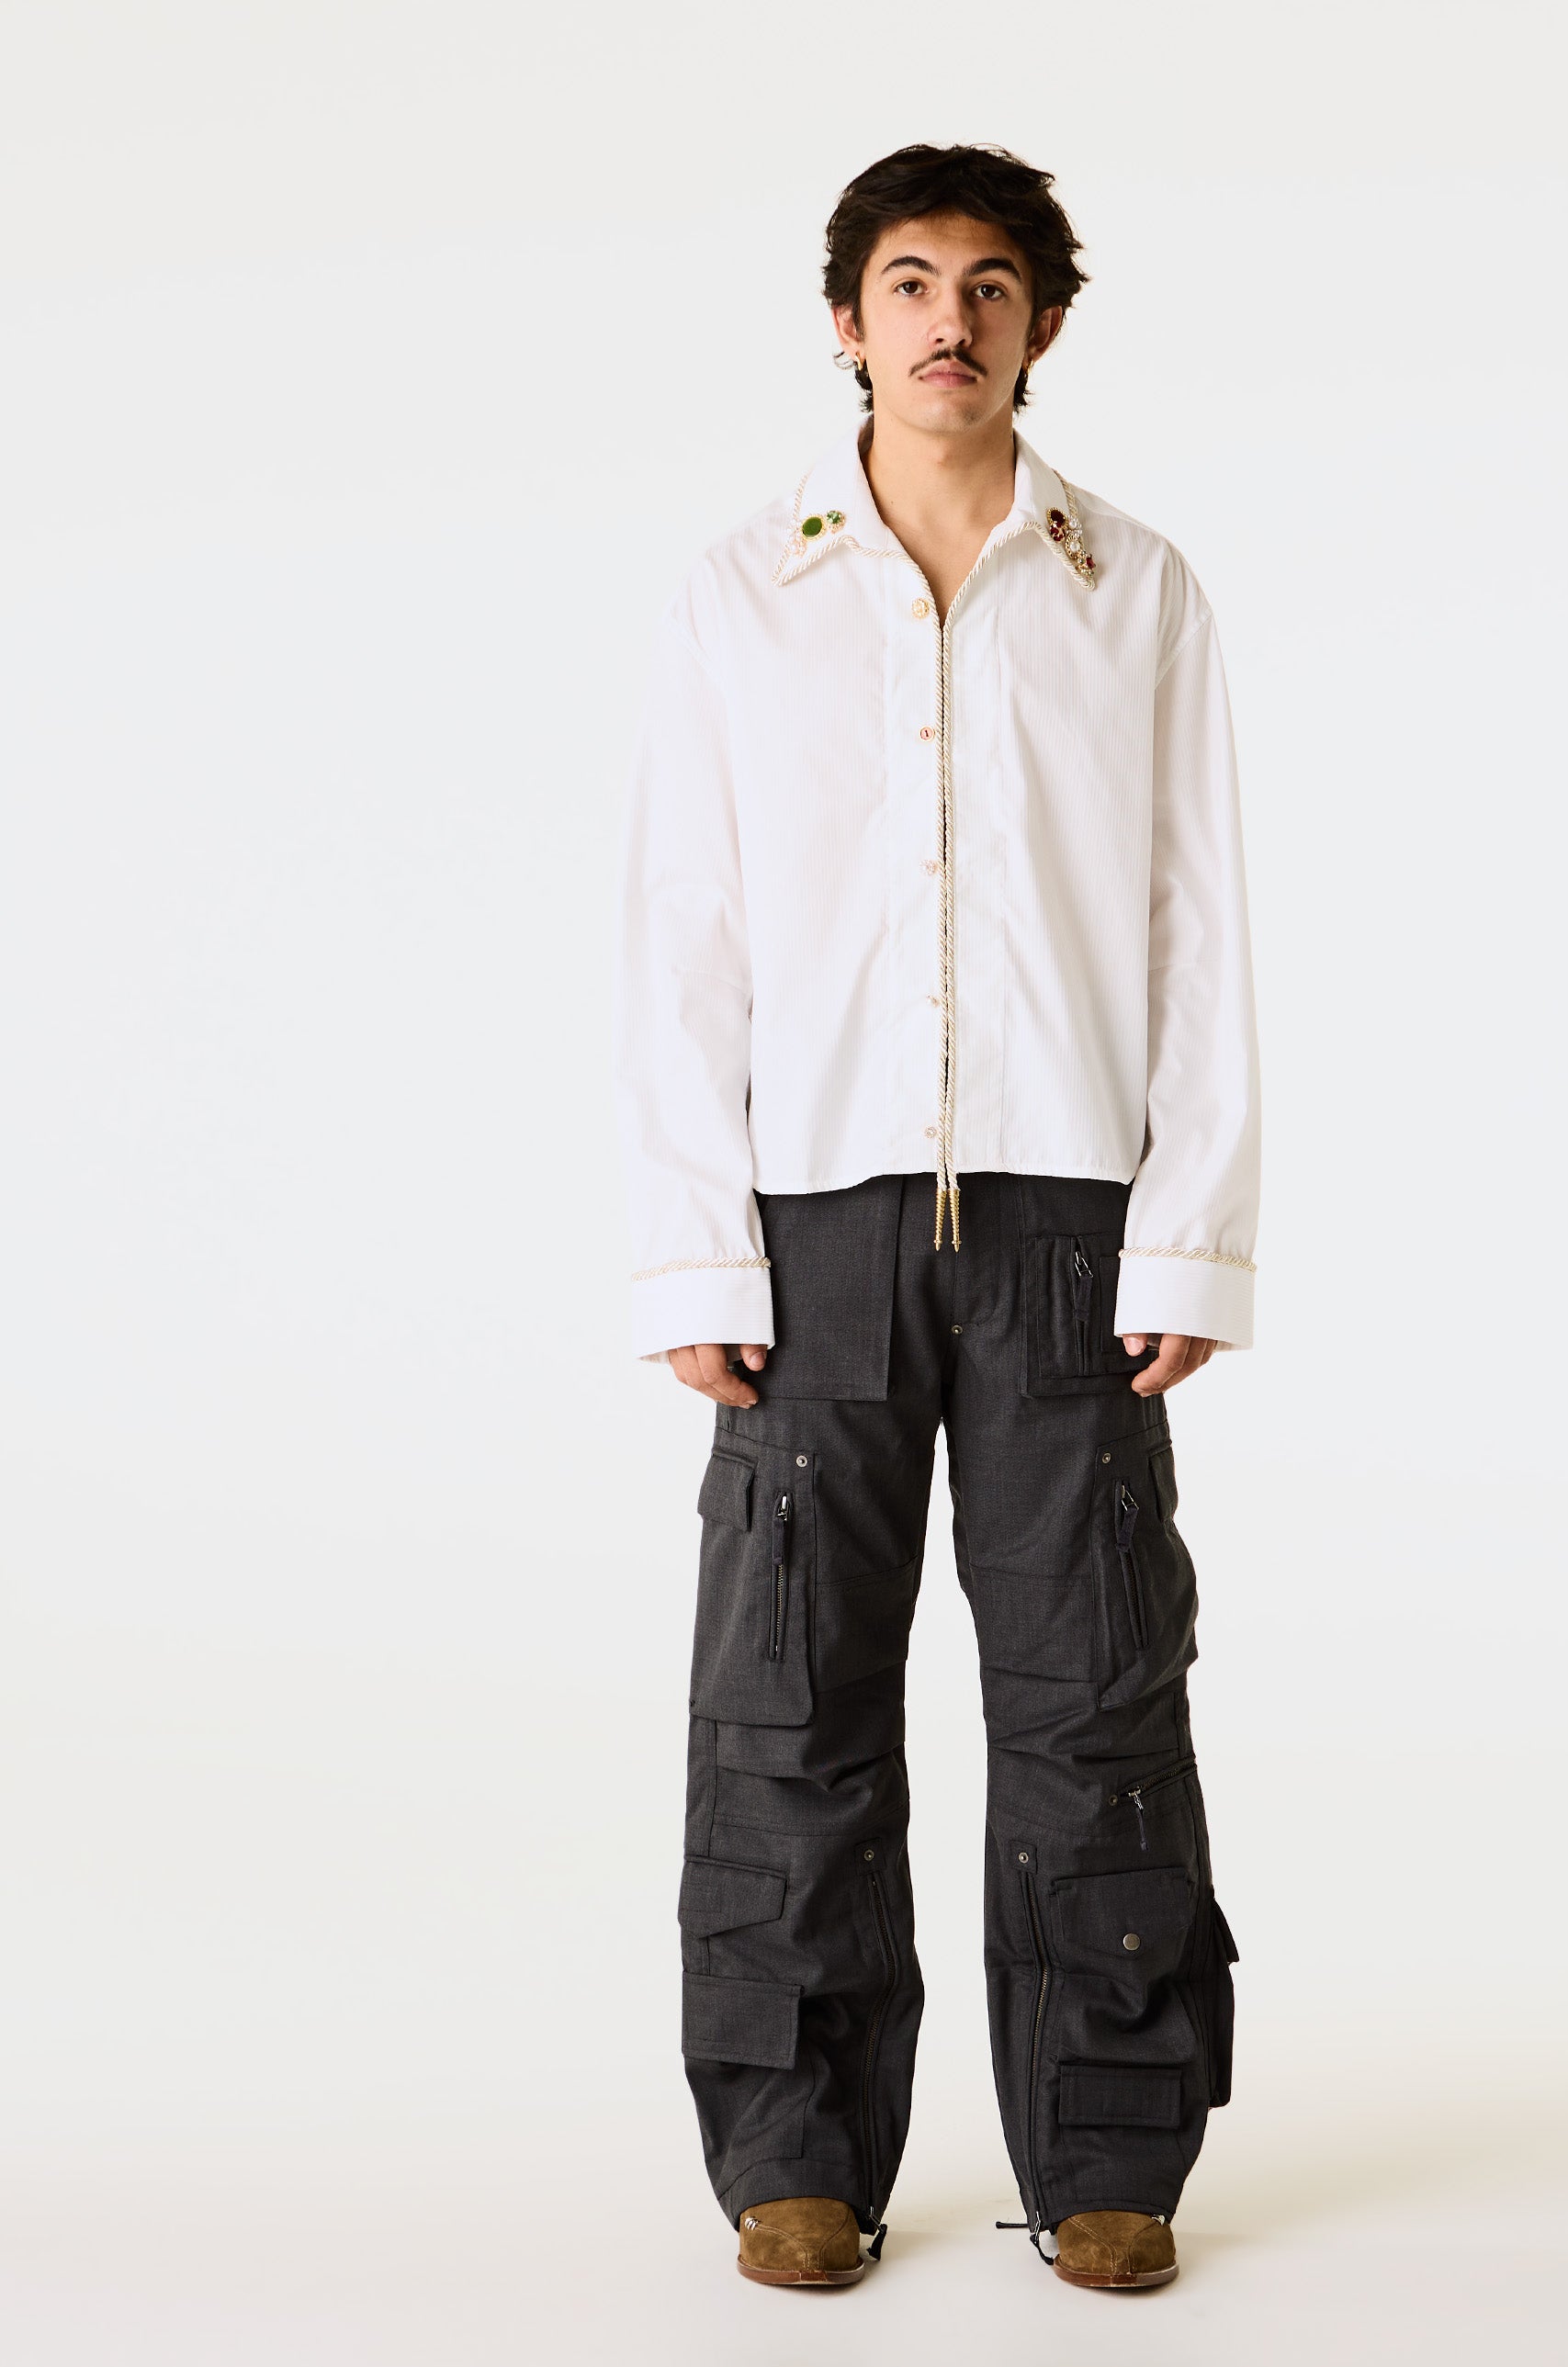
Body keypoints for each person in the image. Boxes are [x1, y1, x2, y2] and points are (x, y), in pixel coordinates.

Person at [615, 141, 1258, 2294]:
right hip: (810, 1223)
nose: (947, 321)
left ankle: (1111, 2147)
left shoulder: (1131, 586)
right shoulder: (743, 592)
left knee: (1094, 1687)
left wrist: (1189, 1228)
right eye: (907, 281)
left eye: (990, 285)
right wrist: (696, 1241)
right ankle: (794, 2149)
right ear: (845, 320)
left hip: (1073, 1219)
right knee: (788, 1695)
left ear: (1041, 324)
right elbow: (683, 932)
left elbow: (1194, 922)